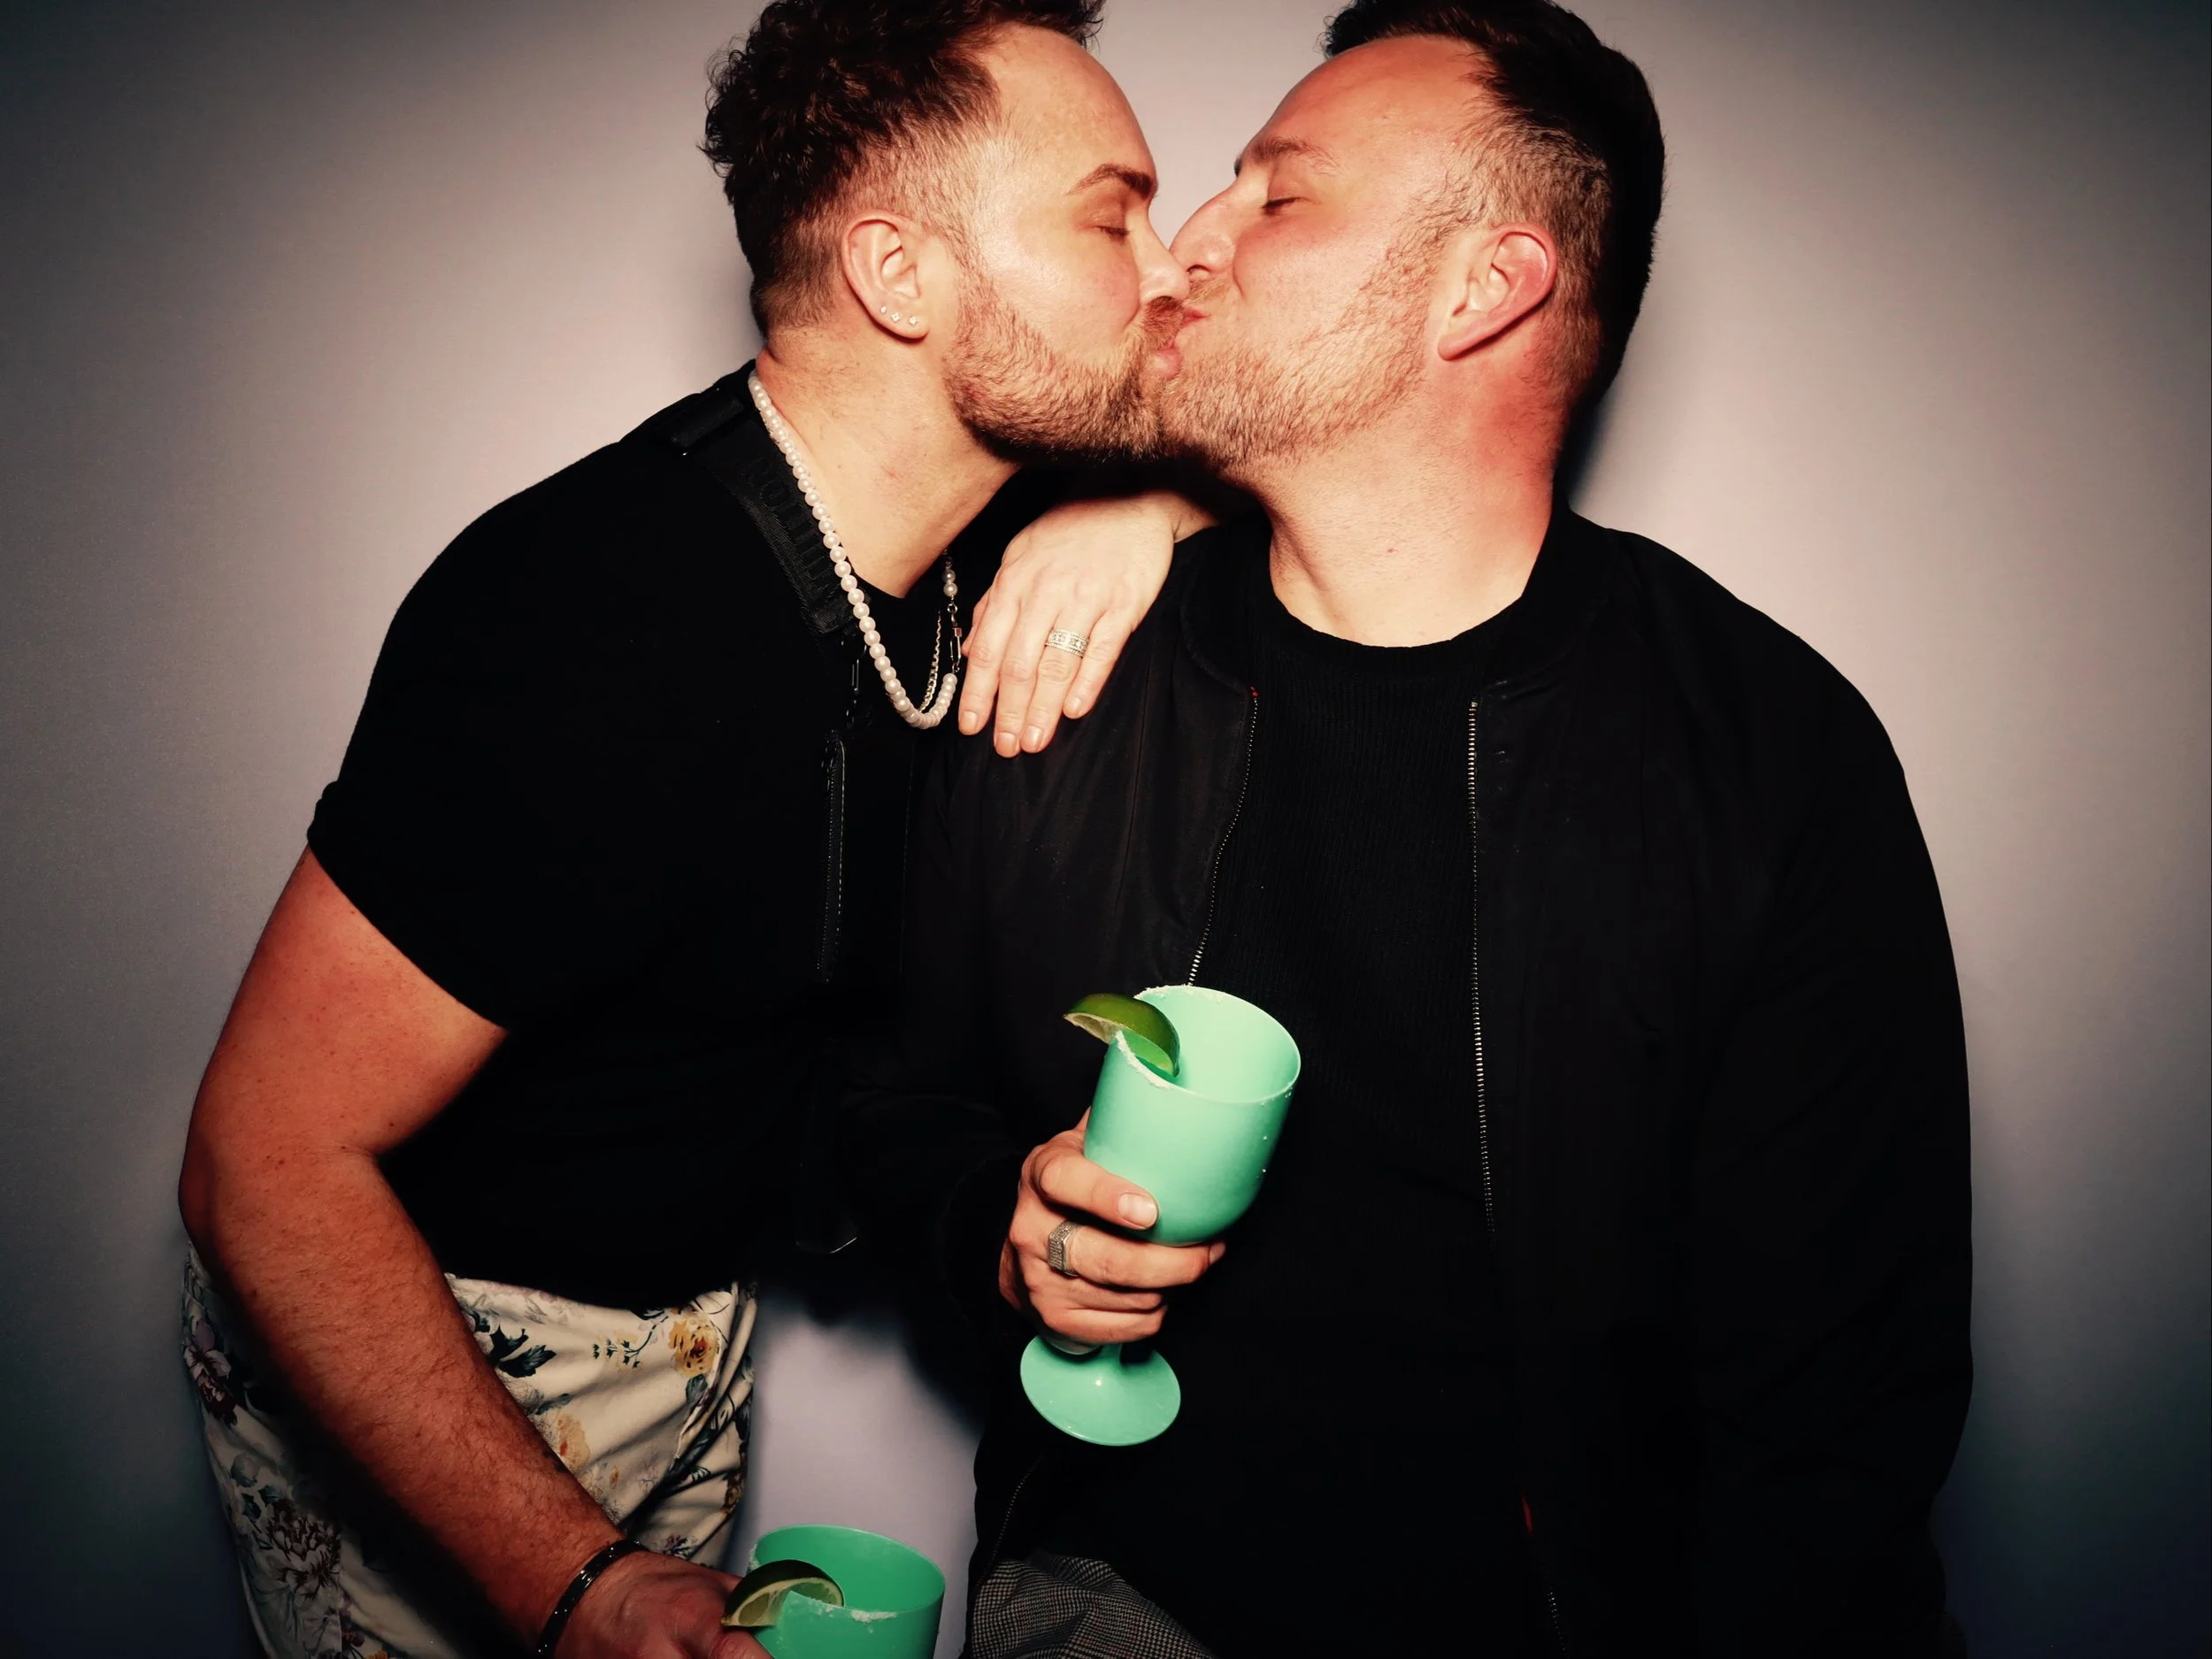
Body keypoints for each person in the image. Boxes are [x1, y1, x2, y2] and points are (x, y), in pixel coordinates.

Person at [844, 2, 1975, 1655]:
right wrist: (996, 1232)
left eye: (1278, 197)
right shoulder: (1060, 655)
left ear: (1487, 285)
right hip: (1113, 1593)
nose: (1186, 246)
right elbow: (881, 1098)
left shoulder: (1766, 750)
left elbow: (1836, 1412)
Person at [175, 4, 1209, 1655]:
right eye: (1112, 214)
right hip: (432, 1345)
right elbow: (268, 1163)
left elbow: (1295, 406)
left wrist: (1154, 500)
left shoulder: (973, 524)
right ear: (899, 271)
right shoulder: (589, 619)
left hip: (694, 1325)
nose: (1172, 269)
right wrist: (572, 1578)